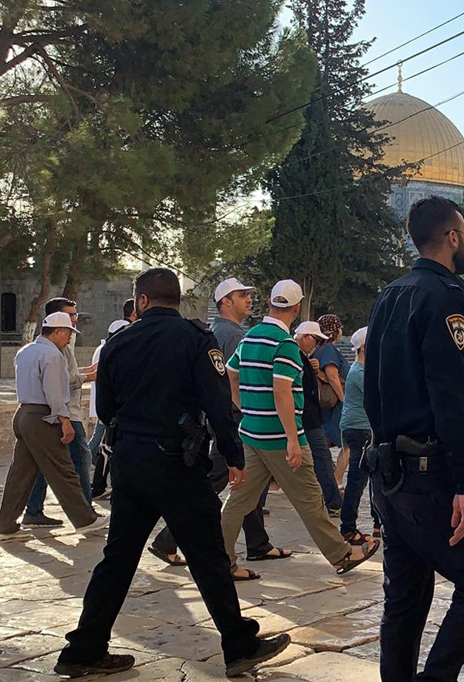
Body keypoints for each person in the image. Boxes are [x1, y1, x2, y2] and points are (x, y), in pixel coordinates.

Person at [54, 268, 289, 679]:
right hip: (177, 462)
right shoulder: (196, 340)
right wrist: (233, 455)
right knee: (208, 556)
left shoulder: (117, 343)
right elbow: (219, 405)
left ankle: (83, 650)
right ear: (176, 300)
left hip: (129, 461)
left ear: (142, 301)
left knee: (117, 559)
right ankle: (239, 645)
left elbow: (105, 409)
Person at [364, 196, 464, 680]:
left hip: (388, 472)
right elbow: (448, 393)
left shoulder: (389, 295)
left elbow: (375, 386)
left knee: (404, 598)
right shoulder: (444, 294)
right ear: (452, 237)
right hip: (429, 472)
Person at [220, 280, 376, 580]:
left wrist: (247, 408)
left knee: (238, 500)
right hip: (280, 437)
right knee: (311, 500)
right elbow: (282, 392)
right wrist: (292, 439)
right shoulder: (285, 345)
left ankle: (221, 561)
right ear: (297, 308)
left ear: (270, 303)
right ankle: (341, 554)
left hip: (252, 434)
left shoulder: (250, 337)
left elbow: (231, 373)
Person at [149, 277, 286, 567]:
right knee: (215, 481)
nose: (248, 300)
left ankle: (257, 542)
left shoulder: (218, 331)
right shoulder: (233, 337)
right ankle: (168, 539)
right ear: (225, 301)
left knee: (247, 481)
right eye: (241, 295)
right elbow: (234, 383)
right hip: (232, 420)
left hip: (224, 418)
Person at [0, 311, 102, 537]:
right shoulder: (53, 355)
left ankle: (5, 523)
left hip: (24, 413)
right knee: (63, 469)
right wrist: (64, 421)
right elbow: (54, 393)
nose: (69, 338)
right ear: (58, 332)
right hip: (43, 416)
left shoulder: (25, 351)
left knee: (20, 472)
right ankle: (85, 519)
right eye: (68, 333)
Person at [25, 297, 97, 526]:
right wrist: (90, 376)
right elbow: (59, 384)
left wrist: (87, 371)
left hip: (46, 414)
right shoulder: (55, 350)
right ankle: (85, 512)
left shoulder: (39, 348)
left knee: (39, 465)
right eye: (70, 315)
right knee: (78, 461)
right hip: (63, 413)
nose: (75, 320)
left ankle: (31, 511)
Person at [295, 321, 344, 516]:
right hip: (306, 417)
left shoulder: (303, 357)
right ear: (306, 337)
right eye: (316, 341)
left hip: (307, 417)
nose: (317, 346)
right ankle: (333, 502)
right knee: (322, 458)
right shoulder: (294, 355)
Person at [339, 326, 377, 542]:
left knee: (367, 476)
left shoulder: (360, 371)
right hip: (360, 429)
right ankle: (348, 527)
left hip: (359, 427)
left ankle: (376, 521)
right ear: (363, 347)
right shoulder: (360, 373)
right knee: (357, 478)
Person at [89, 319, 131, 502]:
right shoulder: (112, 352)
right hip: (114, 412)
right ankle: (100, 486)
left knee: (106, 448)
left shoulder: (110, 350)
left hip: (112, 412)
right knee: (106, 449)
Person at [315, 314, 349, 489]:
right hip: (335, 404)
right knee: (347, 444)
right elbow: (332, 375)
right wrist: (344, 400)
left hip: (326, 404)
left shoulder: (318, 349)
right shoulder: (329, 349)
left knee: (323, 442)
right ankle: (336, 481)